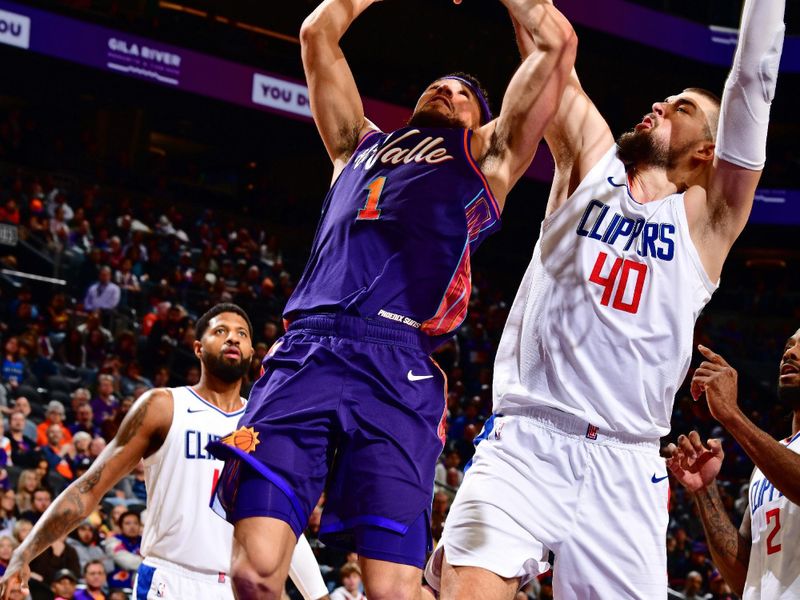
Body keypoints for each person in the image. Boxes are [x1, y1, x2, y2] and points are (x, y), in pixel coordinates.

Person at [207, 1, 577, 598]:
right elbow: (316, 32)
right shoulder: (356, 145)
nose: (447, 93)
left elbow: (556, 46)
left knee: (392, 591)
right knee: (253, 574)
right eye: (438, 86)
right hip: (307, 350)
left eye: (462, 96)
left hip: (398, 364)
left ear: (482, 123)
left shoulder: (487, 157)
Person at [429, 0, 787, 596]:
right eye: (664, 100)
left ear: (707, 152)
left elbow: (753, 78)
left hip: (627, 465)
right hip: (527, 442)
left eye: (681, 110)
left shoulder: (708, 220)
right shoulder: (592, 161)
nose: (657, 106)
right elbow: (549, 52)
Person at [0, 304, 328, 600]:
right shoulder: (164, 406)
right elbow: (89, 488)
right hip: (171, 579)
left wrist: (317, 595)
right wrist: (24, 552)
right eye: (220, 331)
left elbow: (279, 525)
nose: (232, 339)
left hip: (237, 587)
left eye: (241, 334)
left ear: (251, 352)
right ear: (198, 348)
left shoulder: (263, 423)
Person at [665, 327, 800, 599]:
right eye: (789, 345)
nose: (790, 353)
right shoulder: (767, 464)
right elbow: (745, 578)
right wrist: (705, 491)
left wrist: (731, 414)